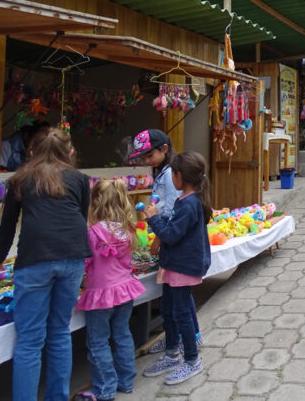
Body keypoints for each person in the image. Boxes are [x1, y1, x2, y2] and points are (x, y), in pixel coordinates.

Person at [0, 128, 91, 401]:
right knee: (59, 332)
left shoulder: (21, 179)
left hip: (35, 261)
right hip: (72, 260)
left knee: (30, 342)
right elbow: (81, 218)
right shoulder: (79, 179)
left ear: (32, 152)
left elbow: (7, 226)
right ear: (68, 152)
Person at [130, 130, 203, 355]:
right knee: (175, 300)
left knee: (178, 302)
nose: (145, 160)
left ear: (164, 149)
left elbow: (173, 214)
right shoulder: (165, 173)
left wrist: (159, 238)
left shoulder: (174, 176)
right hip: (169, 241)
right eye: (142, 157)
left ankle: (185, 344)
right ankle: (178, 338)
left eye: (149, 155)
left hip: (174, 245)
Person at [142, 151, 212, 385]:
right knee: (169, 310)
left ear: (179, 177)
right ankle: (172, 353)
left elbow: (171, 235)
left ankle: (191, 360)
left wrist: (153, 218)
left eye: (172, 174)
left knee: (181, 313)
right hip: (174, 264)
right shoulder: (186, 200)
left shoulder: (190, 204)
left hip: (183, 266)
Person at [74, 180, 146, 401]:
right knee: (122, 333)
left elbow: (84, 263)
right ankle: (126, 382)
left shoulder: (93, 232)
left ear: (96, 202)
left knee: (98, 341)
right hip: (124, 291)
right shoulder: (127, 230)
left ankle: (105, 389)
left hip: (101, 294)